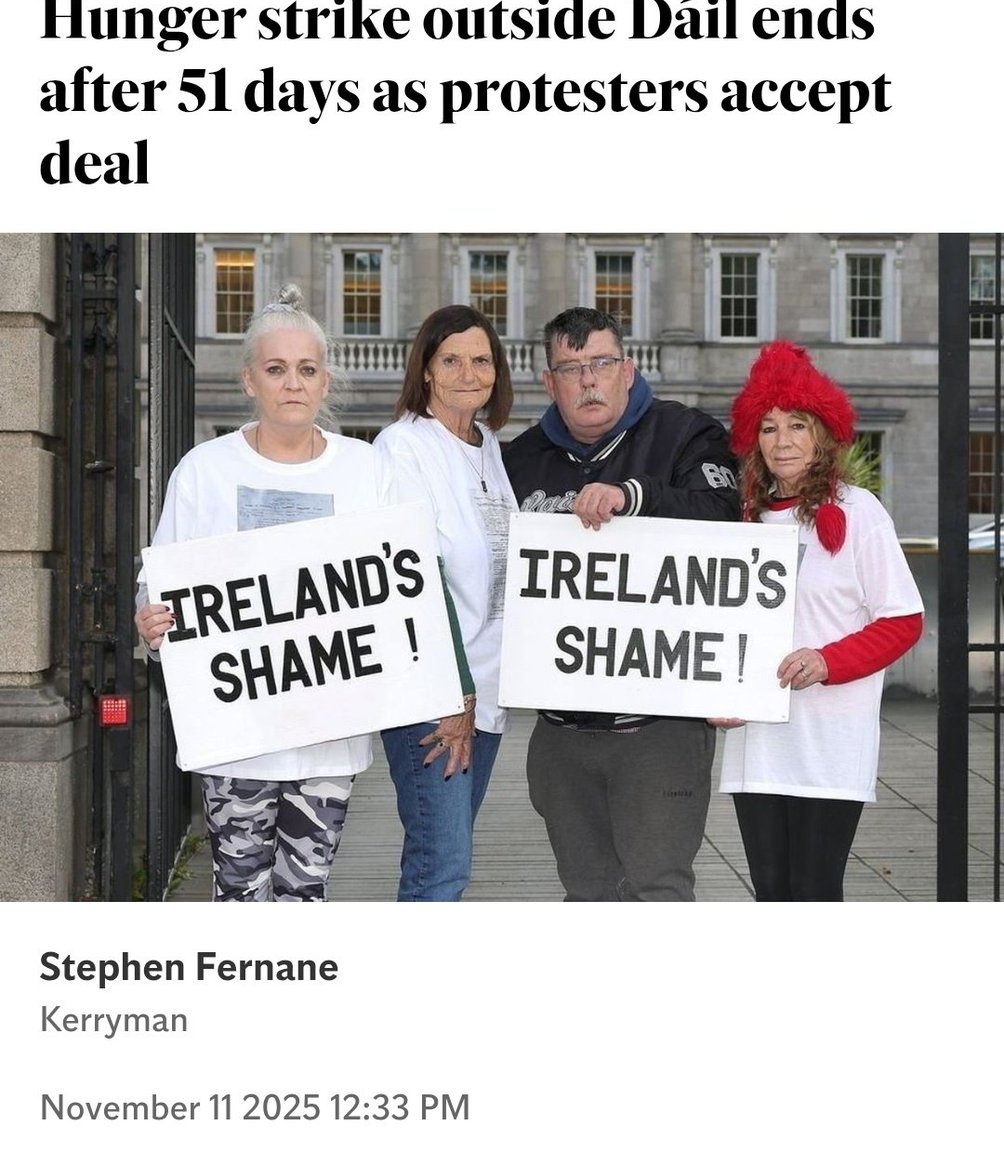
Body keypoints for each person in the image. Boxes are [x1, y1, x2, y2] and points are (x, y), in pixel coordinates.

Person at [134, 283, 385, 902]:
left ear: (326, 382)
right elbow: (161, 579)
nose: (292, 383)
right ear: (250, 380)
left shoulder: (367, 469)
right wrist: (152, 619)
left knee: (306, 892)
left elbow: (392, 582)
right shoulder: (206, 469)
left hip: (329, 735)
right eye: (277, 370)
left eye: (306, 370)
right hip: (237, 735)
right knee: (240, 890)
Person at [502, 306, 740, 901]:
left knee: (657, 890)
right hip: (562, 731)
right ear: (548, 381)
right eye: (571, 367)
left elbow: (728, 519)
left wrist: (636, 496)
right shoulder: (518, 461)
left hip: (658, 730)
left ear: (628, 370)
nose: (588, 380)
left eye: (602, 364)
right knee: (586, 894)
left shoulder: (687, 434)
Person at [714, 339, 924, 901]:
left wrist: (828, 661)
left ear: (822, 434)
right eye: (769, 427)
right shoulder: (743, 520)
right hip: (756, 742)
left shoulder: (859, 512)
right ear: (751, 439)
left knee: (813, 894)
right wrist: (713, 689)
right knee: (772, 893)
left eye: (797, 425)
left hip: (830, 743)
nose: (782, 441)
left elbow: (903, 620)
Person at [373, 304, 517, 901]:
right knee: (443, 866)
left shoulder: (488, 445)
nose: (468, 372)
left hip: (487, 689)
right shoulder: (403, 447)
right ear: (426, 370)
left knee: (439, 850)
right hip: (435, 693)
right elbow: (413, 576)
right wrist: (452, 691)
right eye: (451, 360)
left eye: (481, 360)